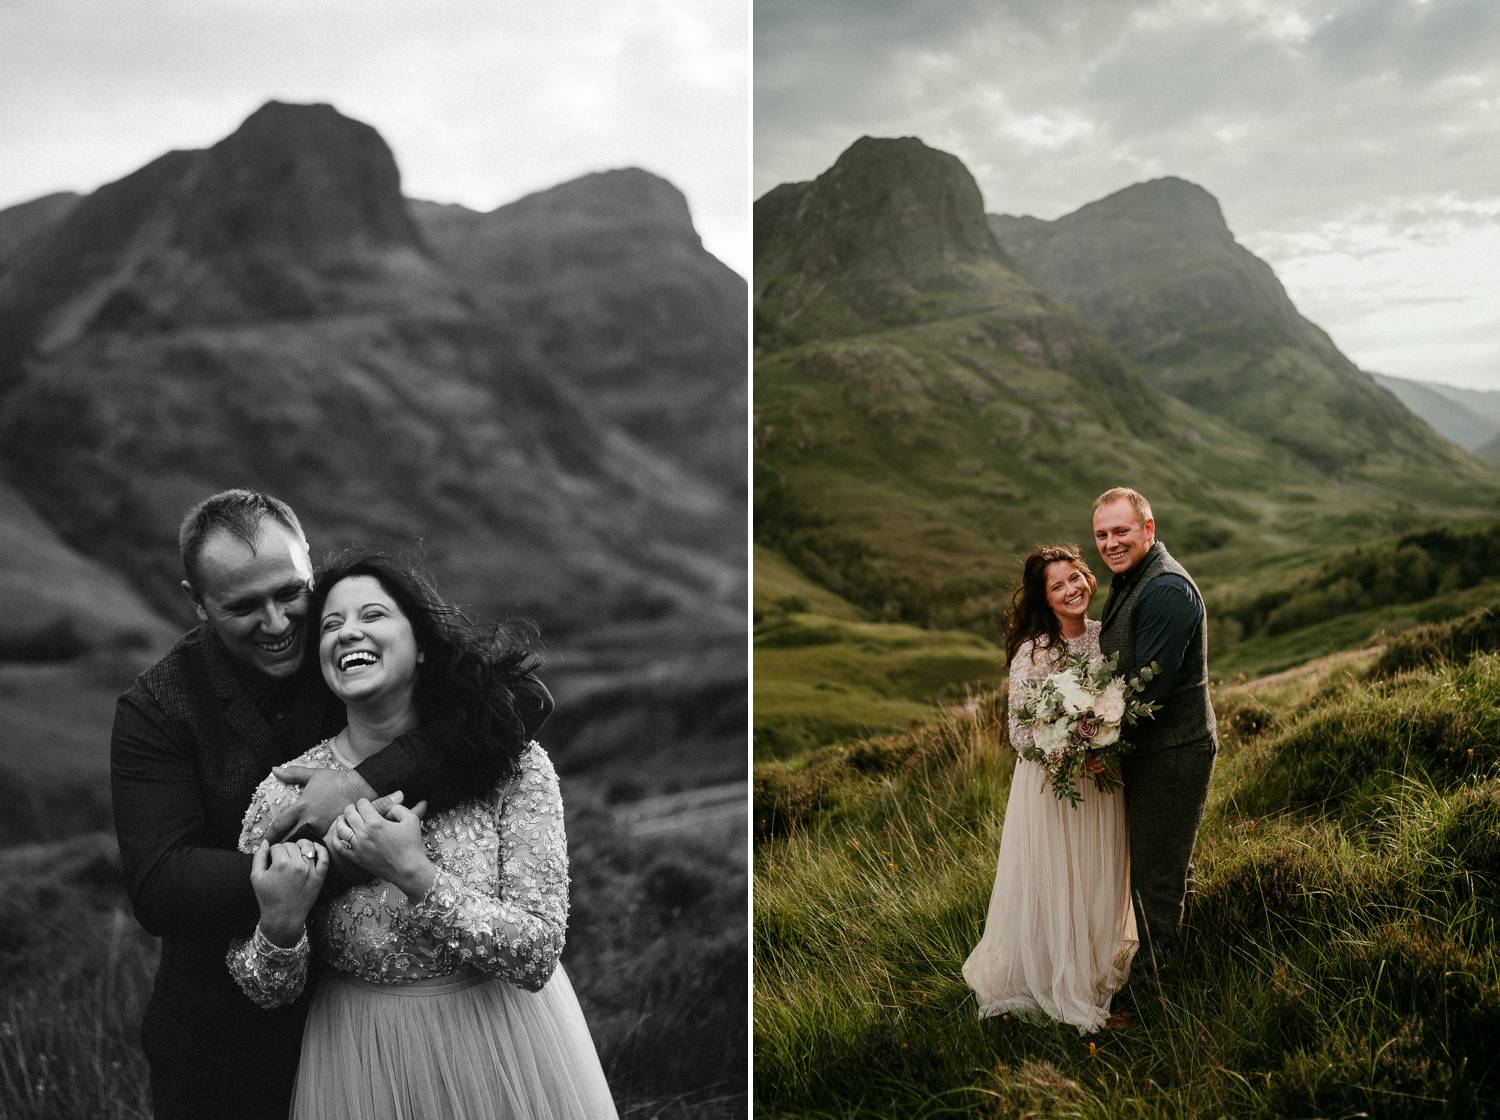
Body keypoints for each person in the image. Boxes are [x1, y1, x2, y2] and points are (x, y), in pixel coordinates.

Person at [110, 489, 552, 1119]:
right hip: (226, 1043)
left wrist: (363, 782)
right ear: (196, 602)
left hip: (393, 1035)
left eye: (290, 591)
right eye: (243, 606)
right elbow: (160, 885)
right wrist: (330, 858)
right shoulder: (156, 710)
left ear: (308, 564)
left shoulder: (347, 643)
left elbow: (520, 702)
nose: (278, 622)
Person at [228, 549, 617, 1118]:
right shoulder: (286, 795)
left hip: (504, 1052)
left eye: (373, 615)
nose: (348, 633)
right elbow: (265, 990)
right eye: (331, 625)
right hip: (362, 1063)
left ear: (423, 645)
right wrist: (280, 928)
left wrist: (416, 876)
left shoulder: (514, 765)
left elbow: (537, 954)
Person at [963, 544, 1137, 1033]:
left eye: (1075, 578)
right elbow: (1020, 734)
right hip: (1055, 788)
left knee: (1097, 879)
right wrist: (1072, 743)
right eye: (1057, 586)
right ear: (1045, 598)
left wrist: (1103, 735)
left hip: (1103, 786)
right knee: (1060, 882)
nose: (1071, 590)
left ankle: (1095, 972)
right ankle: (1070, 994)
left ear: (1088, 577)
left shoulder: (1105, 636)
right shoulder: (1035, 651)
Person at [1092, 486, 1217, 973]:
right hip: (1153, 752)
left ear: (1149, 528)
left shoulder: (1166, 589)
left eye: (1121, 531)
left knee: (1155, 878)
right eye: (1101, 534)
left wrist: (1092, 741)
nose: (1111, 543)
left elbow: (1147, 695)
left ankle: (1156, 994)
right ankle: (1178, 964)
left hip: (1172, 753)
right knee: (1166, 865)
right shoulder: (1132, 579)